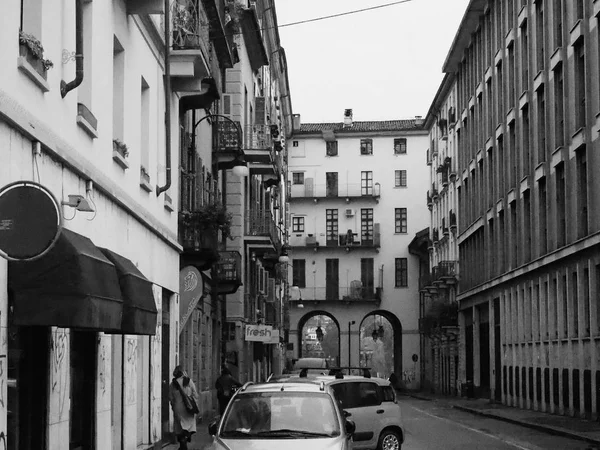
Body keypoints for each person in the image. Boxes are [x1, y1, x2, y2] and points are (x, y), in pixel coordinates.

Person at [169, 365, 199, 450]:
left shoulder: (172, 384)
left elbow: (171, 399)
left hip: (178, 408)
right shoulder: (189, 381)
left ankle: (183, 441)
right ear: (183, 372)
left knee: (180, 427)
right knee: (189, 425)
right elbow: (195, 394)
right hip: (188, 407)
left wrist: (173, 407)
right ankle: (185, 439)